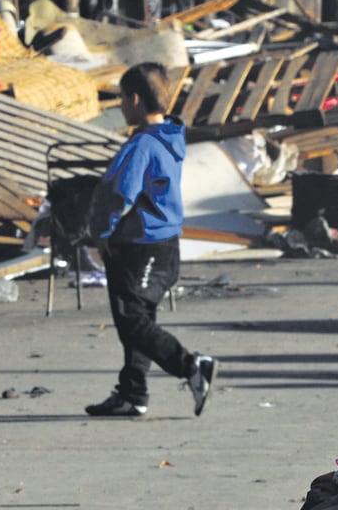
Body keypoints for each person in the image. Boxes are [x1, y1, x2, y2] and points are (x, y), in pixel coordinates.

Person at [84, 62, 216, 417]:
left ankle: (191, 365)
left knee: (132, 321)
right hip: (165, 243)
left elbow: (119, 192)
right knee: (140, 321)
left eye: (123, 99)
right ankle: (133, 393)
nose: (121, 107)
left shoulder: (143, 144)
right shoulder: (170, 137)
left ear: (136, 99)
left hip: (140, 245)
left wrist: (102, 232)